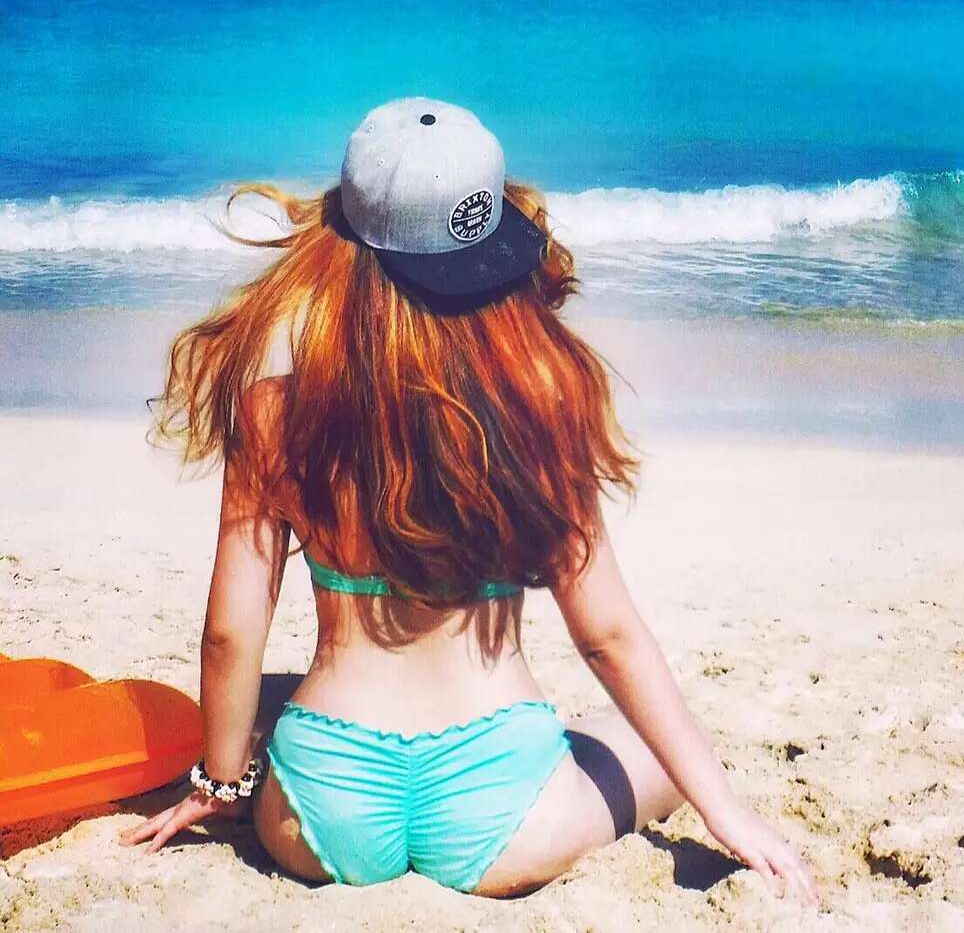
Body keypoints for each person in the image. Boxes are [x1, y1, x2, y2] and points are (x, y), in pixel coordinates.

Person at [119, 97, 815, 902]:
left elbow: (231, 631)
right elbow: (609, 638)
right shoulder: (541, 400)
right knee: (661, 744)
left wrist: (222, 783)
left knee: (276, 697)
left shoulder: (274, 410)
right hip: (505, 811)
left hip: (323, 812)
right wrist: (725, 810)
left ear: (343, 241)